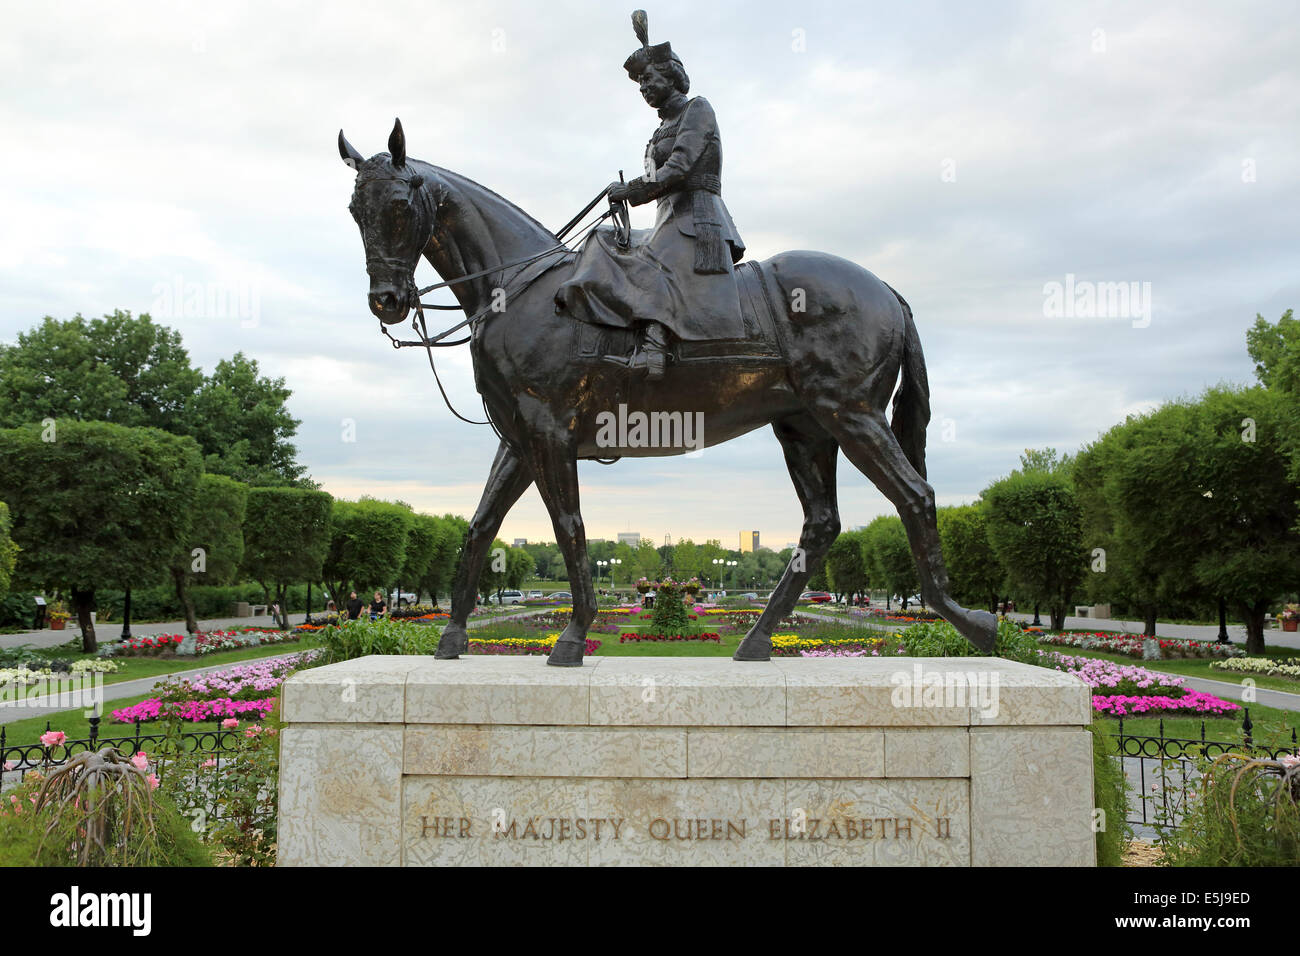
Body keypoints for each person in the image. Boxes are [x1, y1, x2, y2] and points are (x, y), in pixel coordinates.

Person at [555, 10, 745, 380]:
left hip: (696, 219)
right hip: (667, 217)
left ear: (670, 75)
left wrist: (632, 191)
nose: (642, 87)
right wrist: (625, 191)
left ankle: (654, 346)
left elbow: (680, 167)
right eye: (639, 82)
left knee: (652, 262)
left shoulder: (698, 109)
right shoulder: (660, 129)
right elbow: (656, 173)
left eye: (647, 78)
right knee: (603, 239)